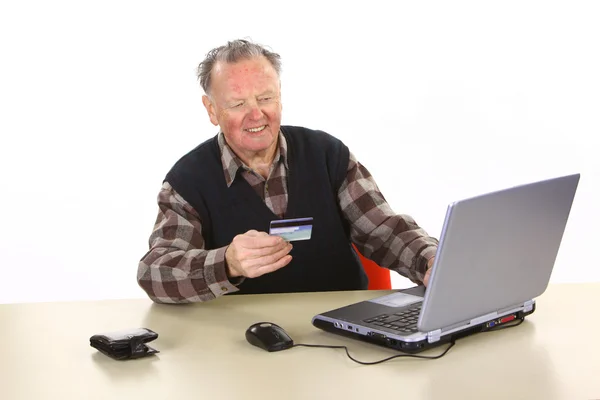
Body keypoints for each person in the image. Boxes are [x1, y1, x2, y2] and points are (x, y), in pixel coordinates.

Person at [137, 39, 439, 304]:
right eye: (238, 104)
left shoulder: (328, 155)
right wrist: (225, 263)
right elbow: (155, 272)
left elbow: (383, 230)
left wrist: (432, 261)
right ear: (212, 110)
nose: (256, 115)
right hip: (239, 341)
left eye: (265, 98)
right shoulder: (187, 181)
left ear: (280, 94)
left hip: (340, 331)